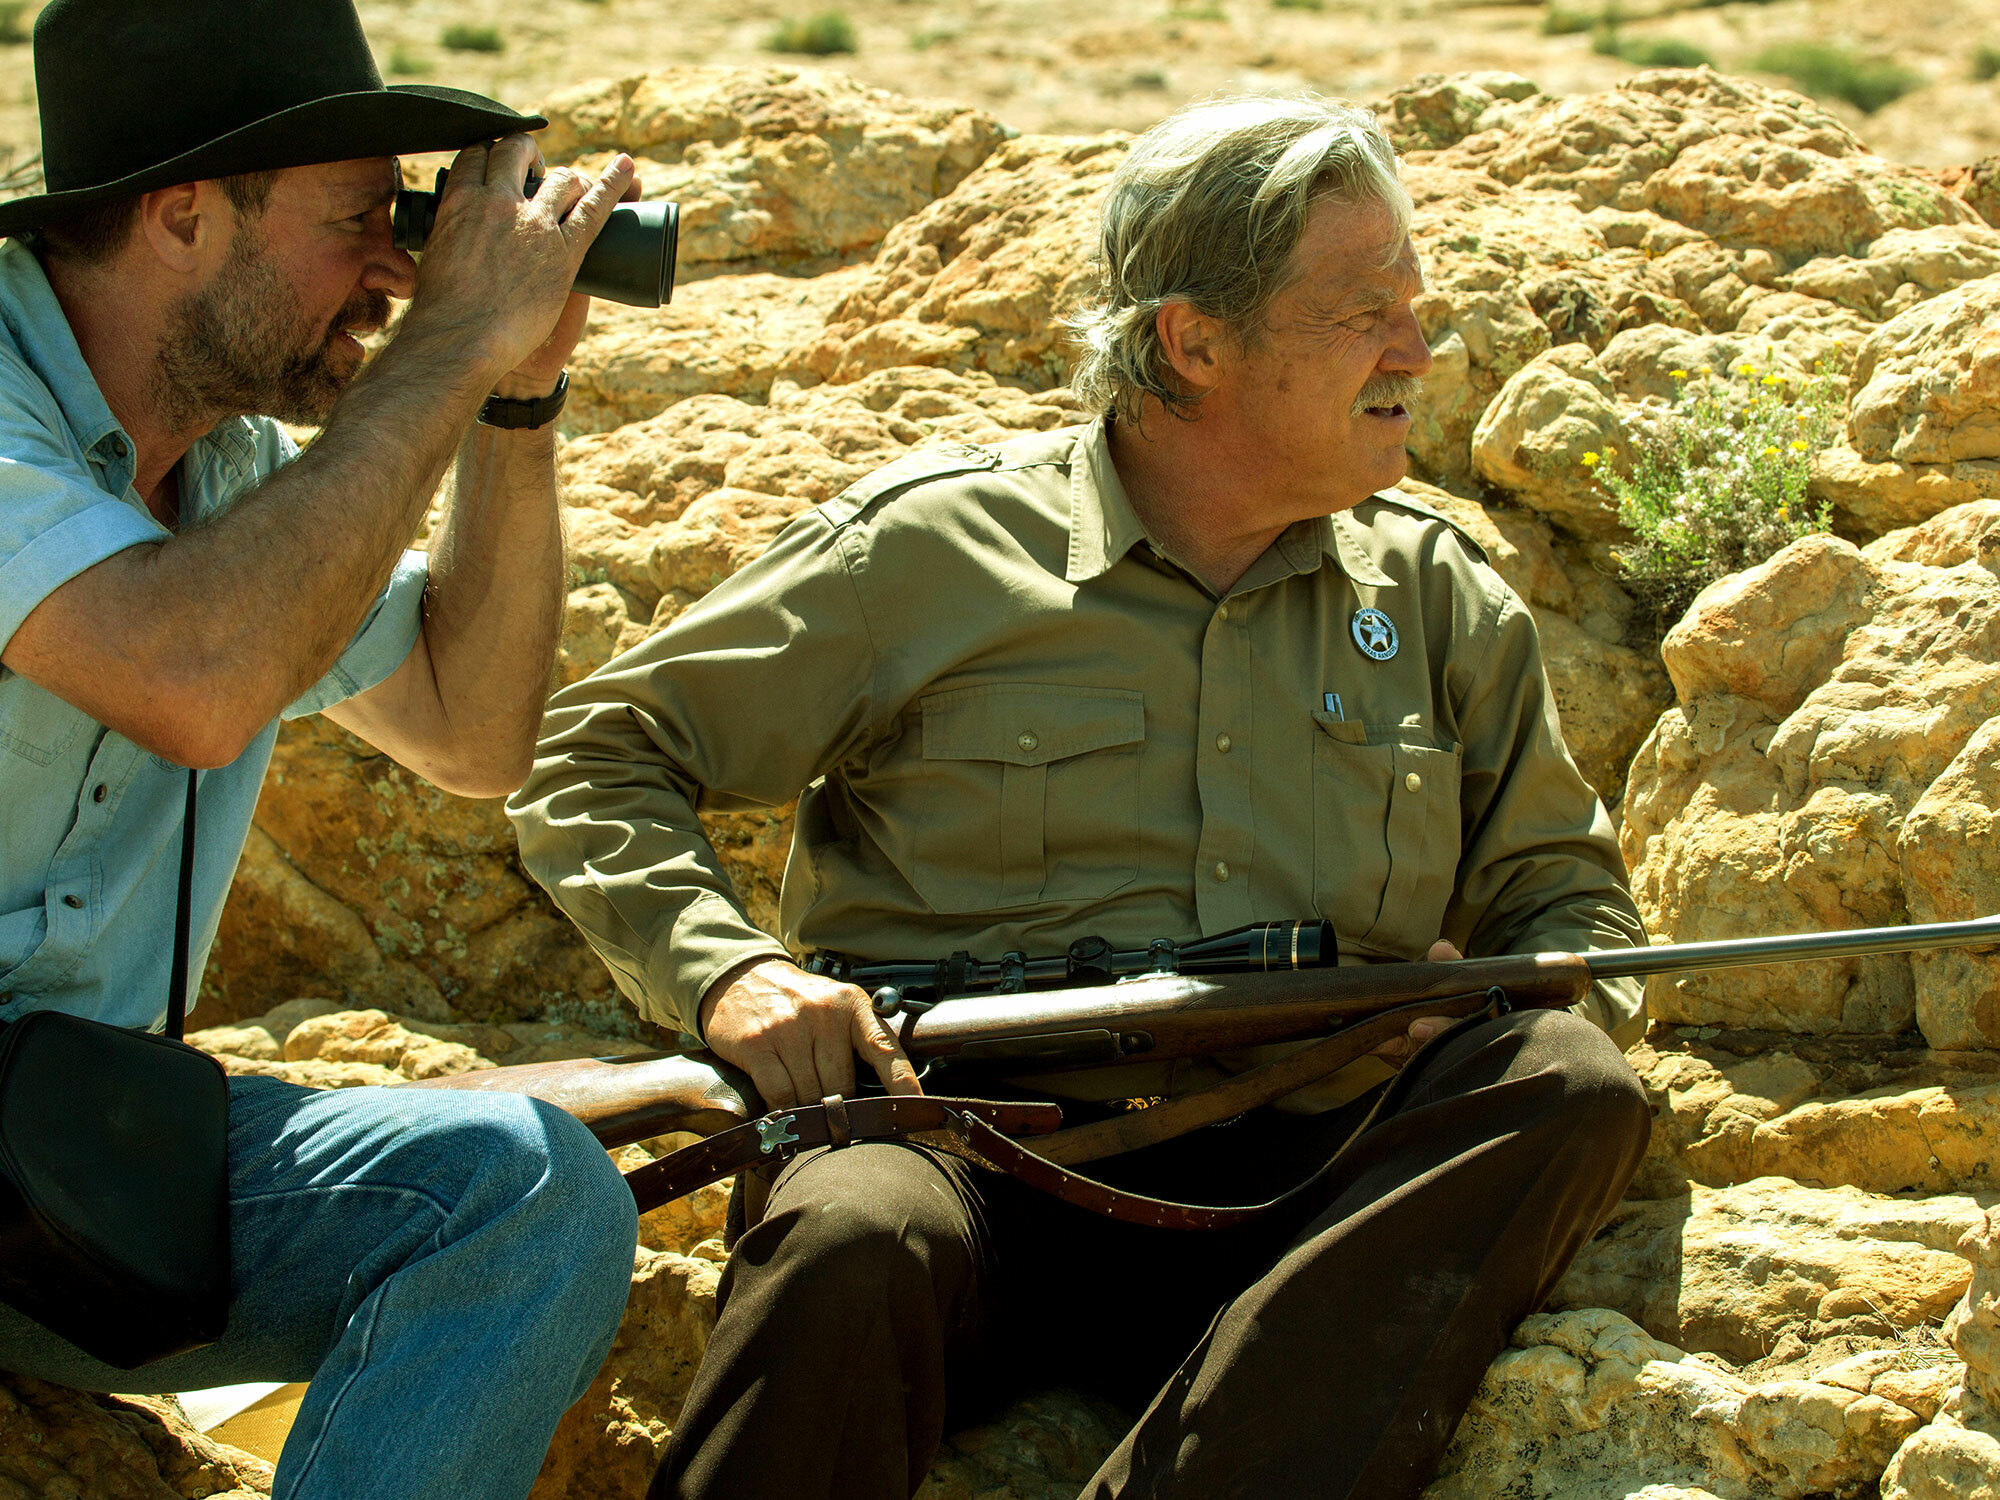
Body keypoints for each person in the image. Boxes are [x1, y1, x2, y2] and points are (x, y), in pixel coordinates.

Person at [509, 92, 1654, 1500]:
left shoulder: (1434, 594)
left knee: (1566, 1081)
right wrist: (730, 974)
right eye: (1366, 313)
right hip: (959, 1151)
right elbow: (596, 752)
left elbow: (1568, 902)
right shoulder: (929, 553)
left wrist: (1497, 996)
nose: (1418, 351)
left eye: (1413, 308)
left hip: (1313, 1182)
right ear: (1195, 342)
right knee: (849, 1239)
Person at [0, 2, 643, 1495]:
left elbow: (473, 731)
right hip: (53, 1163)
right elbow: (192, 678)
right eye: (360, 220)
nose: (396, 271)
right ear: (181, 216)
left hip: (69, 1166)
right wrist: (448, 346)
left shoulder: (235, 471)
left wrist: (512, 395)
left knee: (524, 1198)